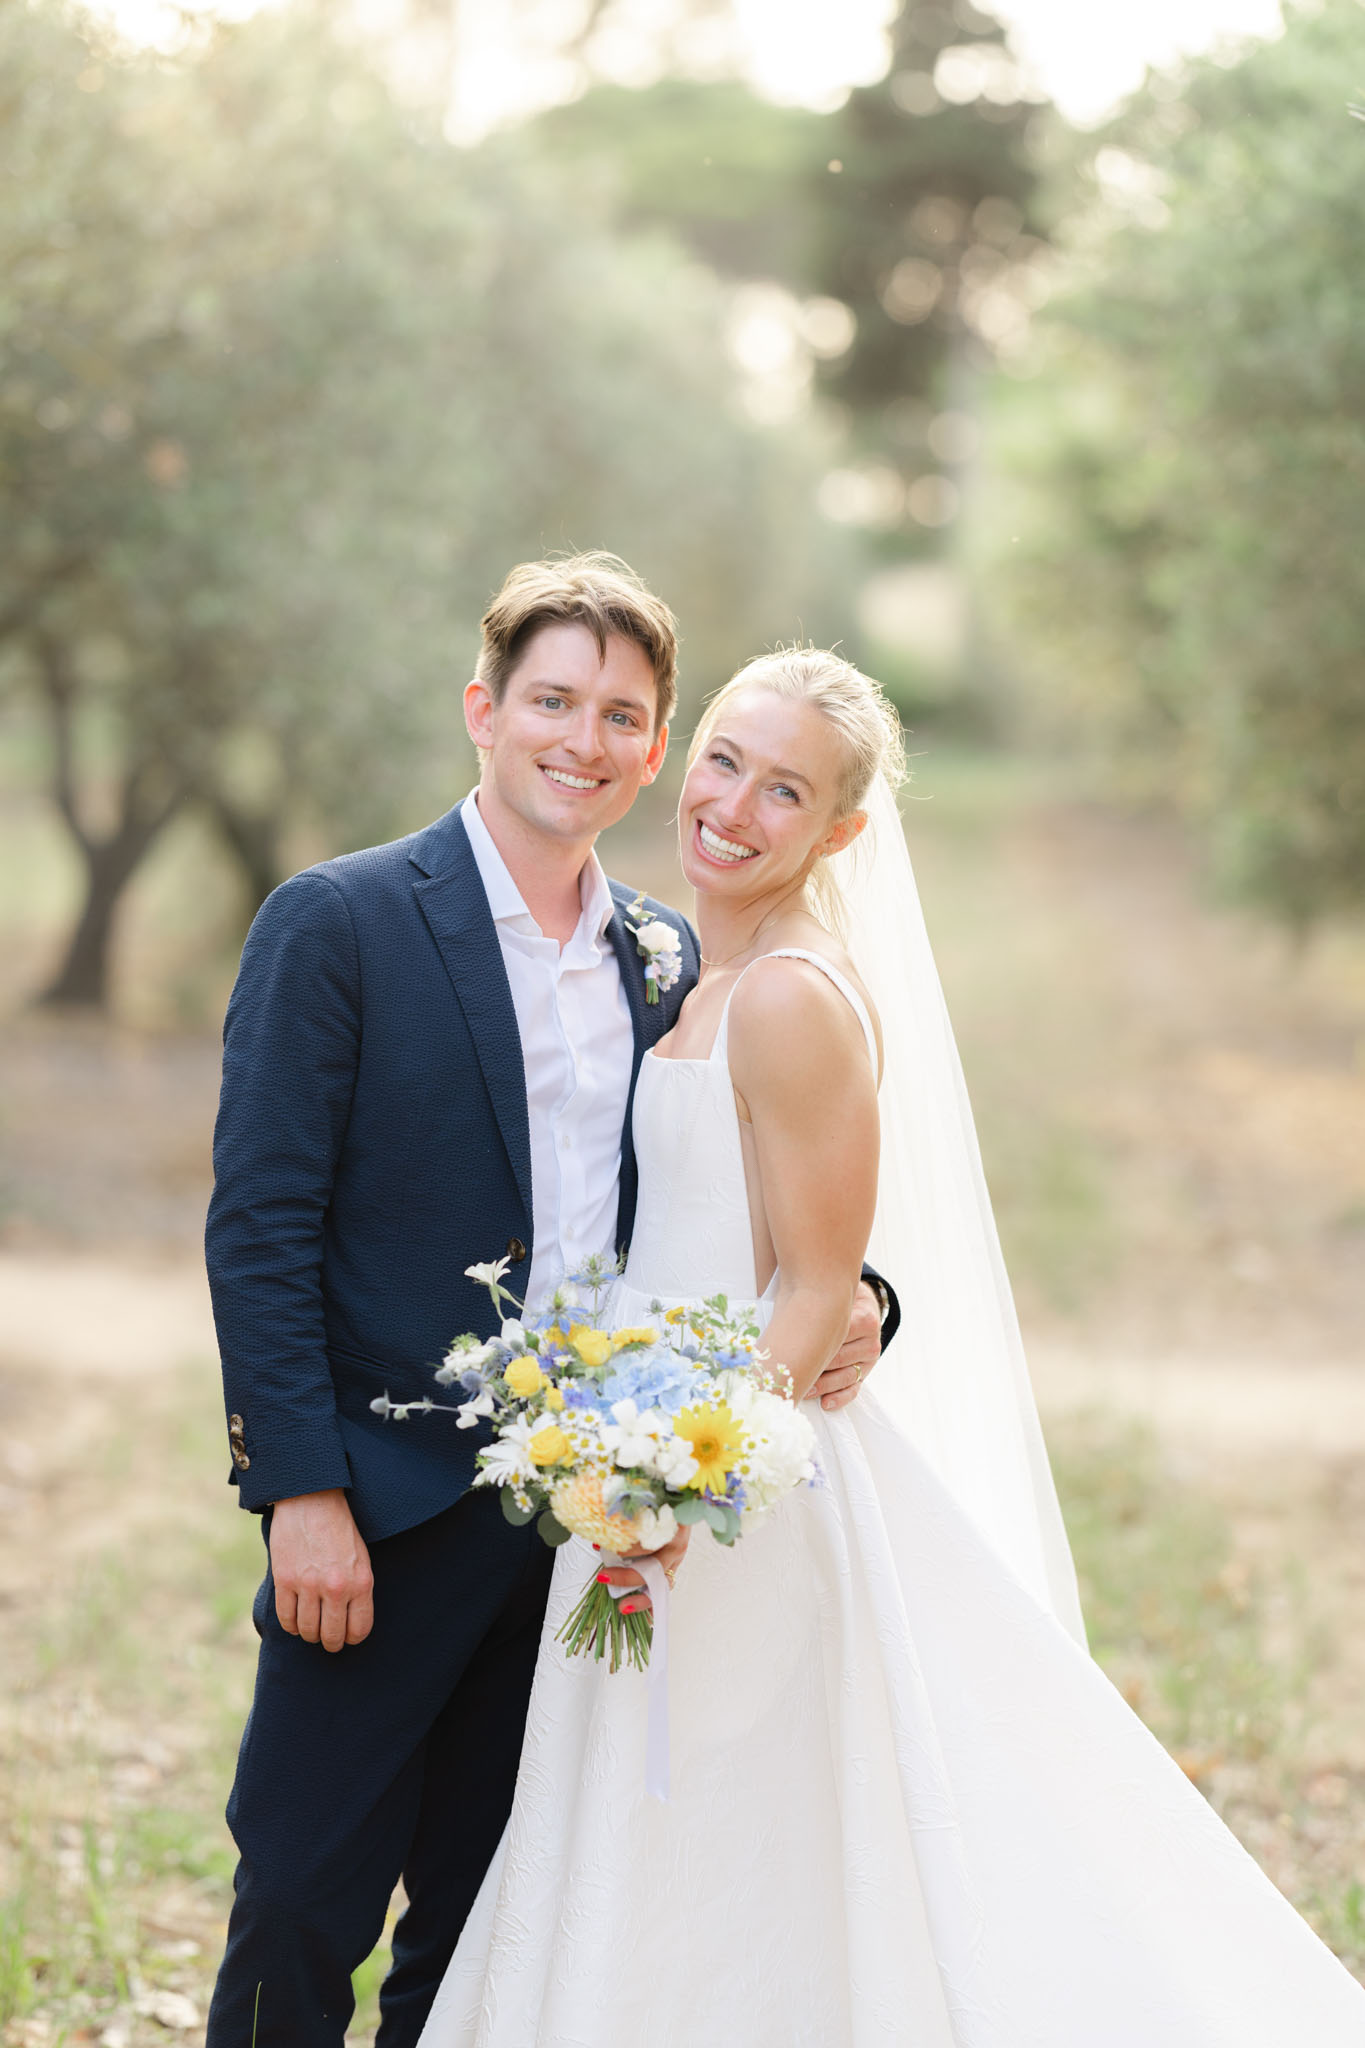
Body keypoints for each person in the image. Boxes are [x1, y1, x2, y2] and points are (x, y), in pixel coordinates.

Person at [419, 648, 1365, 2046]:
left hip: (730, 1484)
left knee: (745, 1820)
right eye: (724, 759)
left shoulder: (793, 996)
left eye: (782, 789)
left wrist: (677, 1488)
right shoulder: (696, 972)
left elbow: (811, 1286)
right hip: (649, 1448)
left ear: (838, 833)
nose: (730, 806)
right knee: (669, 1814)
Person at [203, 557, 894, 2048]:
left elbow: (740, 1187)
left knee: (489, 1928)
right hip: (378, 1515)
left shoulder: (668, 956)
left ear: (651, 750)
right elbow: (259, 1230)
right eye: (552, 700)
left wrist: (861, 1296)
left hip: (582, 1530)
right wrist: (300, 1490)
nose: (583, 739)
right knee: (302, 1902)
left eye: (623, 715)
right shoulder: (339, 925)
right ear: (484, 710)